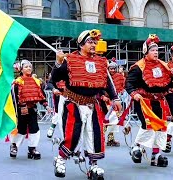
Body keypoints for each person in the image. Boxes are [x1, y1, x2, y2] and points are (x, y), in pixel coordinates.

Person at [52, 29, 122, 179]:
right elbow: (55, 77)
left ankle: (94, 165)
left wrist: (115, 98)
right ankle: (60, 160)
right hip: (73, 102)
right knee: (73, 134)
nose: (93, 45)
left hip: (92, 103)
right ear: (81, 44)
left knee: (95, 134)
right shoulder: (69, 60)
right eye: (90, 42)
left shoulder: (101, 62)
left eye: (94, 42)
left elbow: (107, 82)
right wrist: (58, 63)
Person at [126, 34, 170, 167]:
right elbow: (129, 83)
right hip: (144, 101)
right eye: (152, 50)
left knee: (160, 127)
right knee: (148, 125)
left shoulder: (163, 66)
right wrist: (134, 94)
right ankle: (136, 146)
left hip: (159, 101)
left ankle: (156, 154)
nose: (156, 52)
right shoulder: (139, 67)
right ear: (146, 51)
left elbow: (168, 82)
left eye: (157, 50)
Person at [9, 60, 48, 159]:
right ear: (21, 69)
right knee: (20, 129)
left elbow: (41, 95)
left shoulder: (36, 81)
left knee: (34, 128)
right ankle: (14, 146)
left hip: (32, 109)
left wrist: (46, 106)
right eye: (26, 67)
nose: (29, 68)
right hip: (20, 110)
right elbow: (13, 98)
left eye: (30, 67)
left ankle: (32, 149)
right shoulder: (17, 82)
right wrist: (18, 110)